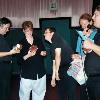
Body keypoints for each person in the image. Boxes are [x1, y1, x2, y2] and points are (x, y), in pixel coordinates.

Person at [44, 27, 78, 100]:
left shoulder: (56, 38)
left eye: (46, 32)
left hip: (70, 68)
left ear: (52, 33)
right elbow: (54, 63)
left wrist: (56, 73)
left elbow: (58, 56)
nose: (44, 34)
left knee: (71, 93)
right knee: (61, 93)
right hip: (62, 69)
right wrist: (53, 78)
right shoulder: (52, 45)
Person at [18, 21, 46, 100]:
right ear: (23, 31)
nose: (29, 32)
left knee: (39, 95)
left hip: (40, 73)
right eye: (27, 31)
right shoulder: (20, 43)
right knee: (24, 96)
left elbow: (43, 51)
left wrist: (43, 53)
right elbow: (19, 60)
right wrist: (28, 55)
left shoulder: (38, 39)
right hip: (27, 74)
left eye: (30, 30)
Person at [72, 13, 97, 100]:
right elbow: (79, 52)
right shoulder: (80, 36)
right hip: (83, 68)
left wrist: (88, 38)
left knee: (94, 94)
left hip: (94, 70)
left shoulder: (96, 34)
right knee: (83, 93)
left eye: (85, 24)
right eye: (81, 24)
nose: (83, 27)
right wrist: (76, 56)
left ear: (91, 22)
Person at [0, 17, 20, 100]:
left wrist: (14, 49)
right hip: (2, 67)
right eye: (6, 28)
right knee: (3, 91)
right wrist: (10, 52)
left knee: (6, 90)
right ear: (0, 26)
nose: (8, 30)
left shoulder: (2, 37)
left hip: (5, 67)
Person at [83, 5, 100, 100]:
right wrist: (89, 49)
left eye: (96, 15)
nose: (92, 17)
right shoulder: (97, 32)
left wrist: (91, 46)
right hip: (91, 77)